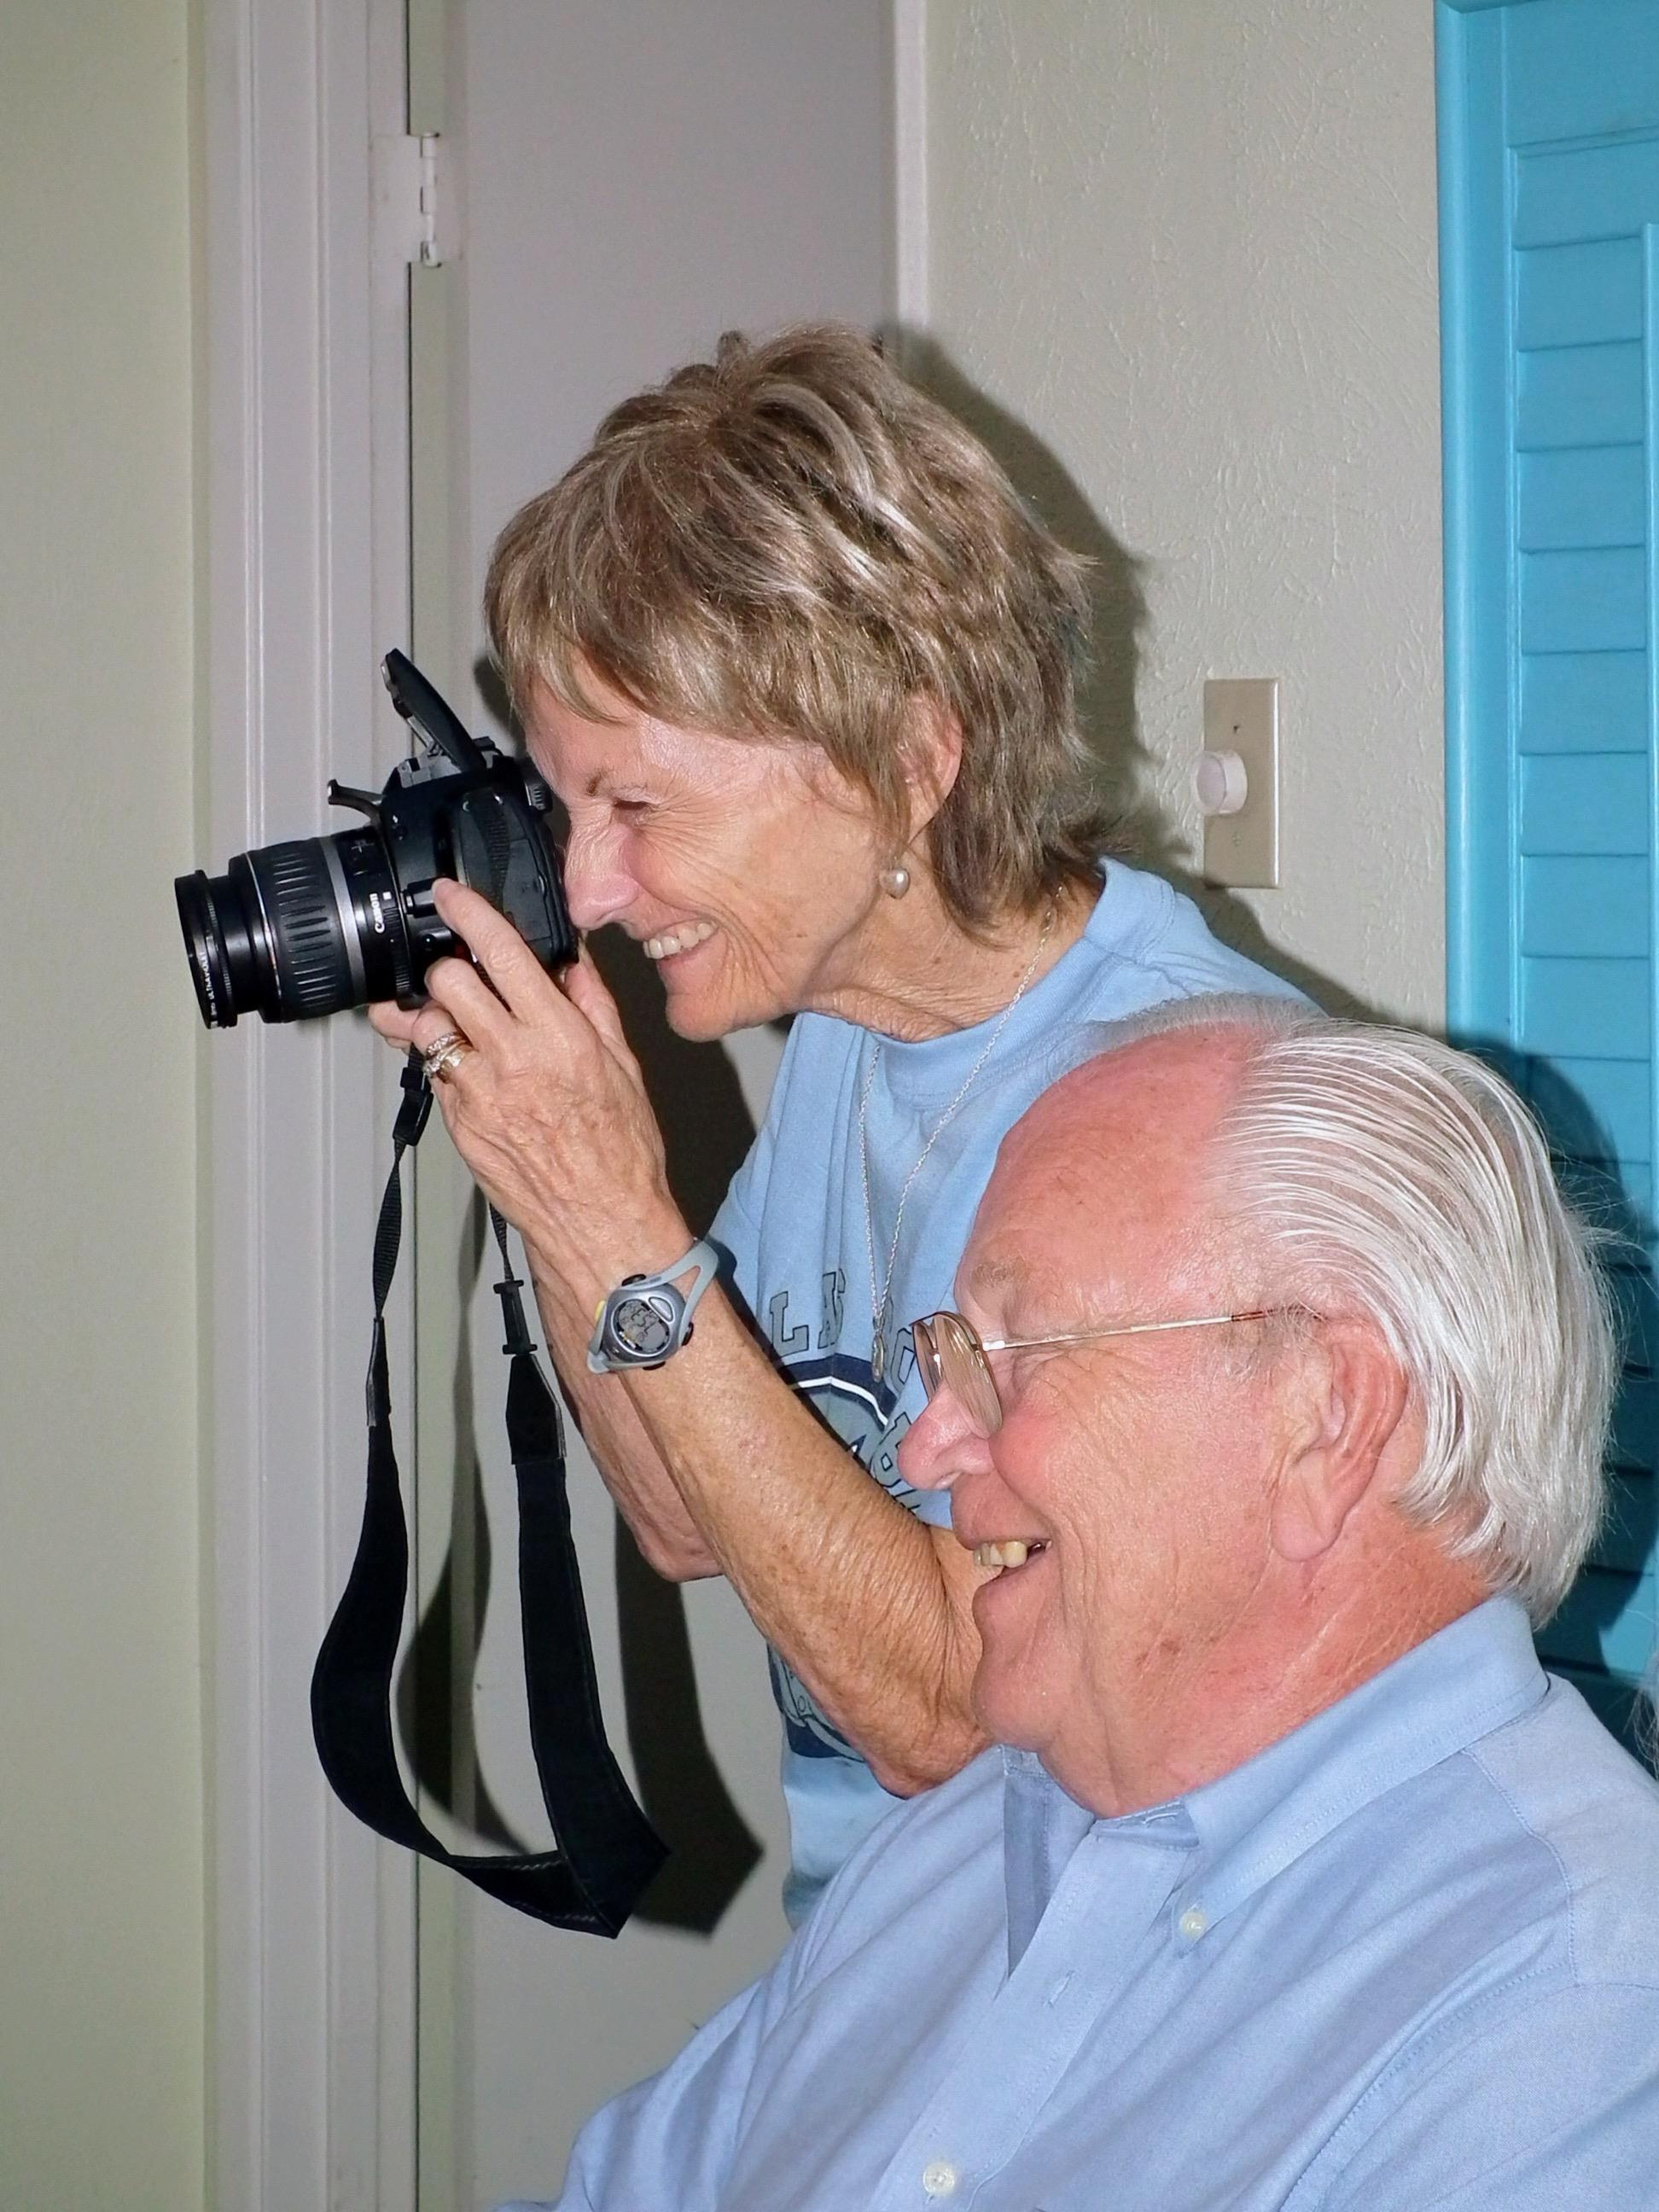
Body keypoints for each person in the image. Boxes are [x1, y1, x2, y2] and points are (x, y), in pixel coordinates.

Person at [370, 323, 1301, 1920]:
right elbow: (682, 1514)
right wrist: (544, 1165)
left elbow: (953, 1711)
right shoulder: (851, 1030)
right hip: (876, 1984)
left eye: (640, 806)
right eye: (569, 802)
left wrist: (614, 1216)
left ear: (911, 757)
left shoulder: (1181, 1111)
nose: (588, 889)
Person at [506, 1002, 1659, 2212]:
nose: (931, 1441)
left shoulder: (1575, 2019)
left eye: (1017, 1350)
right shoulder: (965, 1844)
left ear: (1328, 1418)